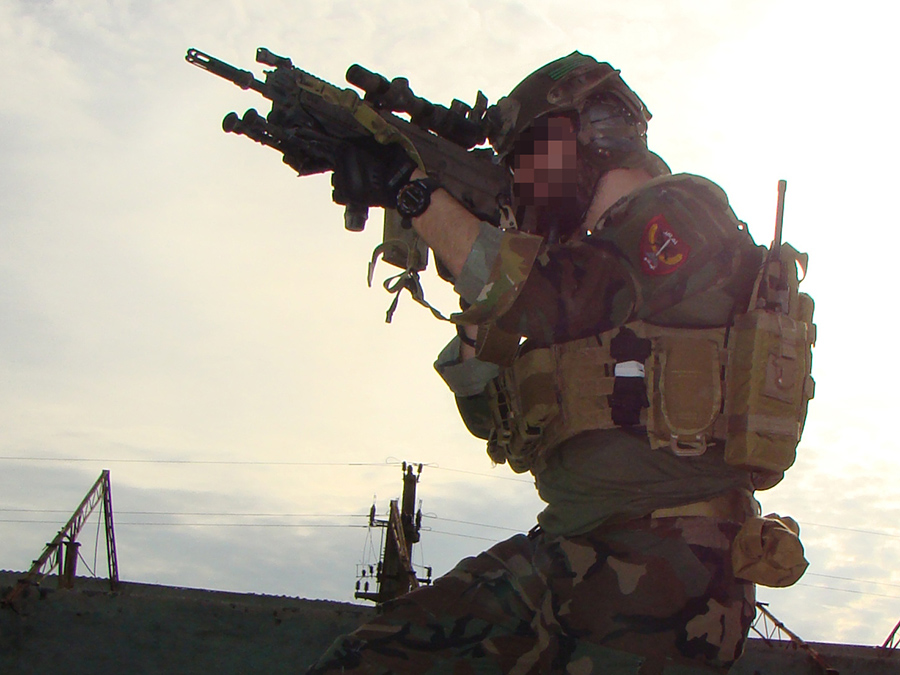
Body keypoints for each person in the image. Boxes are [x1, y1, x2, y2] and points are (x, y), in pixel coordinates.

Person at [309, 52, 809, 675]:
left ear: (592, 133)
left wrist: (414, 195)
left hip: (669, 567)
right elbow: (490, 419)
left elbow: (556, 298)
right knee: (371, 658)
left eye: (527, 156)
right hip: (566, 551)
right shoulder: (574, 266)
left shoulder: (683, 212)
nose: (519, 178)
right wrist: (470, 273)